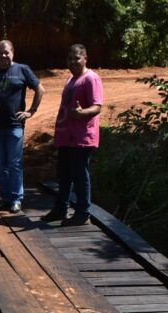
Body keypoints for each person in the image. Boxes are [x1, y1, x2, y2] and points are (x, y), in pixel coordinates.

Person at [0, 40, 43, 213]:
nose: (3, 56)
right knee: (1, 164)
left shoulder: (23, 69)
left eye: (6, 52)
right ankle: (4, 197)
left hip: (15, 126)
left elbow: (40, 89)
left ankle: (16, 199)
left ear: (13, 52)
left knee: (14, 163)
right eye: (0, 53)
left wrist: (31, 111)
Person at [43, 44, 103, 225]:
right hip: (67, 136)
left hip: (82, 137)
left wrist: (81, 113)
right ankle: (61, 209)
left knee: (79, 175)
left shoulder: (91, 79)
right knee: (64, 174)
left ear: (85, 58)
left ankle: (83, 214)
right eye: (70, 58)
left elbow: (97, 106)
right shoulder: (70, 79)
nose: (73, 61)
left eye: (77, 58)